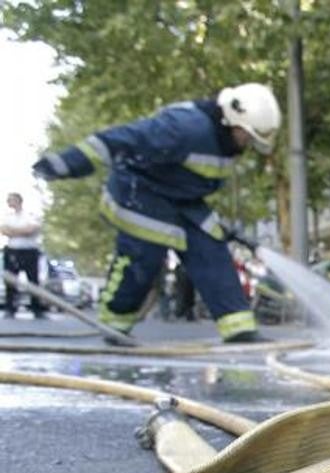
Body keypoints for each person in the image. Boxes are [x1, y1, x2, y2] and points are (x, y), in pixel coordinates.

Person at [32, 83, 281, 343]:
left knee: (211, 249)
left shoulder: (227, 142)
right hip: (138, 192)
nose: (249, 143)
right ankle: (115, 327)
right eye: (248, 135)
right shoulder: (184, 128)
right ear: (233, 119)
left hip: (182, 199)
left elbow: (190, 180)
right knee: (143, 257)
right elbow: (121, 139)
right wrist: (66, 163)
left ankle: (238, 329)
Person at [1, 193, 47, 319]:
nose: (9, 203)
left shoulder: (30, 214)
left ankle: (37, 309)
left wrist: (14, 231)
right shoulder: (7, 216)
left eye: (11, 200)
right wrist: (20, 231)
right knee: (10, 281)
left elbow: (31, 230)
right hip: (12, 250)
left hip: (29, 251)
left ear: (19, 201)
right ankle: (10, 309)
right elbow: (3, 230)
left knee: (33, 280)